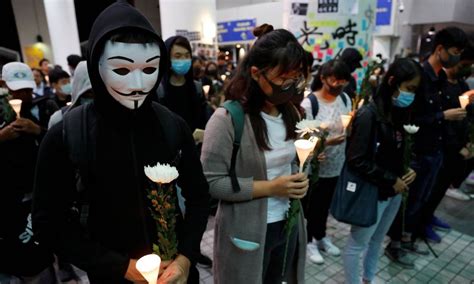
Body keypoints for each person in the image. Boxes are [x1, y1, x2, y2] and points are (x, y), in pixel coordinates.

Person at [32, 2, 210, 283]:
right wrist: (117, 266)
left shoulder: (172, 126)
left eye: (149, 69)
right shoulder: (67, 135)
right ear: (96, 66)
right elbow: (48, 223)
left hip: (177, 274)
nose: (138, 83)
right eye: (123, 70)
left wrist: (186, 258)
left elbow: (199, 197)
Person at [201, 24, 308, 284]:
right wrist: (272, 187)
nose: (290, 86)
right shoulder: (227, 119)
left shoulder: (290, 112)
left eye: (296, 78)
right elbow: (212, 183)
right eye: (283, 79)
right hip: (246, 230)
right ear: (256, 74)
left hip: (288, 222)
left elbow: (288, 163)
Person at [386, 27, 468, 266]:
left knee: (421, 200)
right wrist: (442, 116)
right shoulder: (418, 76)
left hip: (436, 150)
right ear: (440, 49)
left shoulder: (442, 78)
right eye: (455, 51)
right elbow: (407, 118)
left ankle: (408, 239)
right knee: (408, 202)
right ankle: (395, 243)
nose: (457, 57)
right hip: (417, 152)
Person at [343, 58, 421, 283]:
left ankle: (368, 278)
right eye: (409, 89)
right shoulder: (369, 114)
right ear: (393, 81)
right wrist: (389, 179)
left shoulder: (399, 113)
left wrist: (410, 169)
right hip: (372, 192)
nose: (411, 95)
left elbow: (402, 149)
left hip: (394, 190)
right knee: (357, 244)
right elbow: (356, 159)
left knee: (377, 240)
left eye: (415, 90)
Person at [0, 62, 55, 281]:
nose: (23, 95)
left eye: (27, 90)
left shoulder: (43, 107)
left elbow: (58, 143)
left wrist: (38, 131)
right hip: (8, 201)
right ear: (3, 85)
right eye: (17, 90)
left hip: (38, 193)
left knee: (42, 251)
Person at [417, 44, 474, 242]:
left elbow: (465, 114)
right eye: (463, 63)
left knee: (439, 188)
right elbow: (437, 117)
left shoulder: (461, 85)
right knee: (427, 190)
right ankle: (419, 224)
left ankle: (428, 217)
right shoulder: (438, 83)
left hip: (454, 148)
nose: (465, 68)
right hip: (441, 145)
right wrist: (457, 145)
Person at [300, 59, 352, 264]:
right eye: (335, 80)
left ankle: (321, 236)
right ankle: (308, 240)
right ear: (322, 78)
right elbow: (303, 140)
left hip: (336, 163)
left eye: (344, 81)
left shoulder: (345, 99)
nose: (339, 85)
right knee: (312, 205)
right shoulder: (310, 103)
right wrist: (327, 142)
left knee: (325, 205)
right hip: (315, 166)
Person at [156, 36, 208, 133]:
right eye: (178, 56)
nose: (184, 60)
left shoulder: (197, 88)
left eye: (187, 55)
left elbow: (203, 119)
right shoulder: (159, 91)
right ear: (168, 59)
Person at [48, 61, 94, 129]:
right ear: (54, 85)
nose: (68, 84)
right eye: (64, 82)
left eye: (68, 81)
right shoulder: (58, 115)